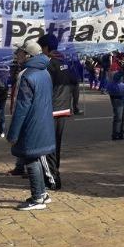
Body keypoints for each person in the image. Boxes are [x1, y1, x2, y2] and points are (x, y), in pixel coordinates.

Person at [7, 38, 56, 210]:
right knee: (34, 158)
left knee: (31, 159)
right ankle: (42, 193)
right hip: (43, 122)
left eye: (19, 52)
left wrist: (13, 133)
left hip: (31, 124)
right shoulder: (44, 72)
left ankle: (37, 198)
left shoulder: (26, 75)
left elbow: (21, 107)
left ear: (27, 55)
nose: (16, 54)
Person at [37, 33, 76, 188]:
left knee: (48, 147)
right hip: (63, 109)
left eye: (41, 48)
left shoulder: (47, 64)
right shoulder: (65, 62)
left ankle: (53, 179)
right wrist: (74, 104)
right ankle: (54, 174)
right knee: (56, 145)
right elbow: (74, 83)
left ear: (46, 48)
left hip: (50, 110)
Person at [107, 55, 124, 140]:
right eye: (123, 58)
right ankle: (115, 134)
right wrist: (123, 70)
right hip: (116, 94)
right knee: (118, 116)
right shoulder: (114, 65)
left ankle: (121, 133)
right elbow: (115, 78)